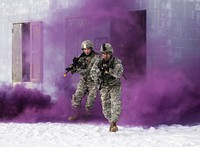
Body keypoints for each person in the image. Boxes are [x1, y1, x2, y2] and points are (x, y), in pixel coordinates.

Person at [91, 43, 123, 132]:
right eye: (103, 53)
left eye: (107, 53)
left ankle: (114, 123)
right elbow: (92, 73)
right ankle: (111, 122)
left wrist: (109, 71)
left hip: (114, 85)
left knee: (115, 103)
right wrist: (100, 73)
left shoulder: (116, 61)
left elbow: (119, 72)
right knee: (105, 108)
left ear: (110, 53)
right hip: (104, 86)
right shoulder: (98, 62)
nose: (105, 55)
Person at [67, 40, 100, 121]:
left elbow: (89, 71)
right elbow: (79, 65)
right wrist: (73, 66)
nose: (86, 51)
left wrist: (76, 70)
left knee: (90, 99)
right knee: (76, 97)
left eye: (88, 49)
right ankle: (76, 114)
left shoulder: (97, 58)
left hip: (93, 81)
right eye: (84, 49)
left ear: (91, 48)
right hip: (84, 81)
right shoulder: (82, 57)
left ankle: (87, 116)